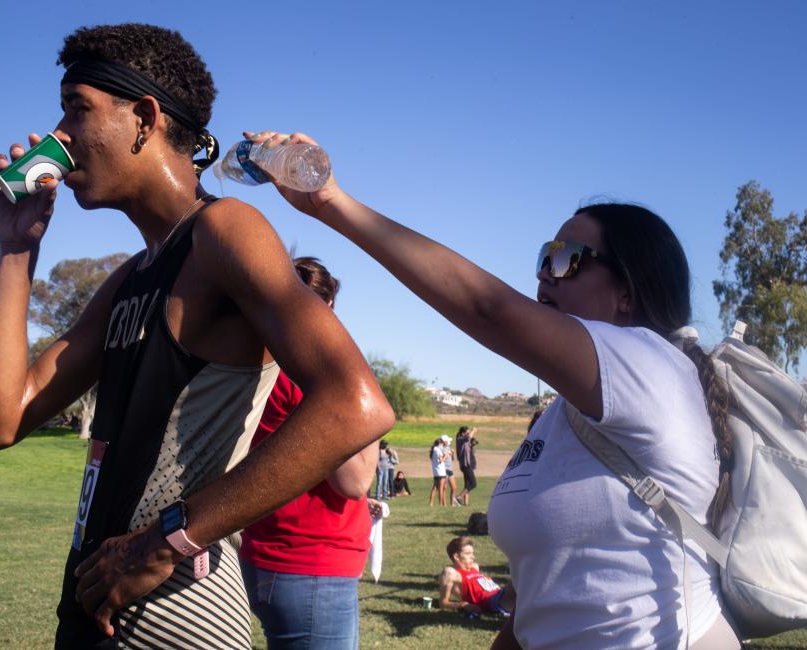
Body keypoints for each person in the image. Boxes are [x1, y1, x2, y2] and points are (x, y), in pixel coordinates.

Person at [0, 31, 393, 650]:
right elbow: (0, 421)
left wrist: (161, 542)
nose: (59, 134)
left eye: (77, 108)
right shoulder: (131, 276)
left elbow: (355, 406)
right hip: (92, 605)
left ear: (144, 118)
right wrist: (16, 249)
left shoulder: (225, 231)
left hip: (176, 618)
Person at [252, 129, 739, 648]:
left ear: (626, 292)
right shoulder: (561, 414)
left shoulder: (652, 365)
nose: (543, 277)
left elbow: (491, 311)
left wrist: (331, 204)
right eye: (543, 257)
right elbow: (543, 594)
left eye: (566, 258)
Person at [240, 256, 376, 650]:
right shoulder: (314, 374)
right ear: (328, 308)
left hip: (268, 554)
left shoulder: (262, 365)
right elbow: (354, 481)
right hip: (311, 561)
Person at [438, 536, 514, 617]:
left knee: (520, 580)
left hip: (500, 593)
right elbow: (443, 603)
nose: (473, 557)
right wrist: (463, 605)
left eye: (473, 553)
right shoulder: (450, 573)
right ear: (456, 557)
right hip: (493, 602)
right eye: (468, 554)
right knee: (518, 581)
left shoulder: (474, 567)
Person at [454, 426, 478, 506]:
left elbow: (472, 452)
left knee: (467, 484)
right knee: (474, 483)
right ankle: (458, 497)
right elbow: (468, 438)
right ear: (462, 433)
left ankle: (464, 503)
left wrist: (473, 445)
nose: (468, 434)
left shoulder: (465, 441)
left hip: (468, 464)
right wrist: (473, 431)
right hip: (465, 465)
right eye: (467, 432)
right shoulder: (460, 439)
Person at [428, 438, 447, 506]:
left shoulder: (433, 450)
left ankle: (431, 503)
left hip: (436, 472)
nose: (442, 445)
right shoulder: (438, 450)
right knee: (441, 487)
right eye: (442, 444)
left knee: (435, 487)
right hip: (441, 472)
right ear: (439, 444)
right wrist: (446, 456)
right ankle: (440, 503)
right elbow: (441, 460)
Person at [441, 433, 458, 505]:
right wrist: (446, 455)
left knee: (454, 487)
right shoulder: (440, 449)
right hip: (444, 469)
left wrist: (453, 454)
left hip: (450, 469)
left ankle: (452, 504)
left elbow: (453, 459)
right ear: (444, 441)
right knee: (444, 487)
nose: (448, 442)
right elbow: (440, 460)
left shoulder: (449, 447)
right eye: (447, 440)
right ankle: (444, 504)